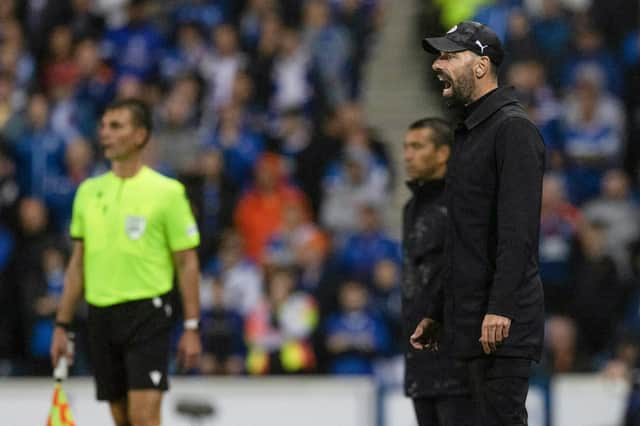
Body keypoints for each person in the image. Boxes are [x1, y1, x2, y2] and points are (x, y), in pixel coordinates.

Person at [411, 21, 545, 426]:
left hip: (499, 327)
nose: (438, 64)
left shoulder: (513, 130)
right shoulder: (471, 133)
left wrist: (501, 307)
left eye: (450, 56)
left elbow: (517, 232)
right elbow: (461, 237)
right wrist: (437, 310)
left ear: (482, 66)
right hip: (469, 323)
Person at [50, 98, 202, 426]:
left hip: (148, 313)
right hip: (101, 316)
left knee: (144, 417)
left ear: (140, 136)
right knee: (122, 419)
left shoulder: (167, 192)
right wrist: (62, 325)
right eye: (103, 126)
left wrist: (191, 326)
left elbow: (187, 262)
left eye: (116, 126)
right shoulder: (88, 192)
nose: (105, 133)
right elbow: (78, 264)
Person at [402, 118, 472, 425]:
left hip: (458, 360)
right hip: (420, 361)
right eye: (406, 147)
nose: (407, 155)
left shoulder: (465, 203)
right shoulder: (411, 208)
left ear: (443, 153)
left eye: (417, 146)